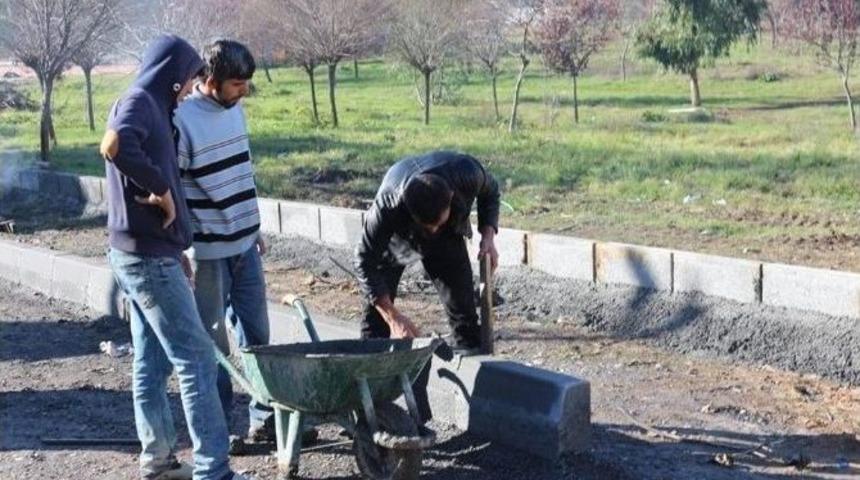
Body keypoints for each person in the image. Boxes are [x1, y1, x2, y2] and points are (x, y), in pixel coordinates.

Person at [100, 34, 250, 480]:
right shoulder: (141, 102)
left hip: (140, 253)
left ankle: (160, 460)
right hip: (146, 259)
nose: (190, 88)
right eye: (187, 80)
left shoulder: (149, 103)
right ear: (170, 75)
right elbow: (115, 144)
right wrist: (163, 192)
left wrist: (175, 241)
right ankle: (213, 470)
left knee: (151, 358)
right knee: (196, 358)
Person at [173, 39, 272, 444]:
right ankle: (220, 431)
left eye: (247, 83)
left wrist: (254, 226)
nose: (244, 91)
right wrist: (179, 247)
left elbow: (242, 173)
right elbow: (174, 190)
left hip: (245, 247)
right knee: (213, 346)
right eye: (237, 84)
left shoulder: (236, 110)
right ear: (211, 80)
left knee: (258, 336)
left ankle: (264, 419)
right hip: (209, 253)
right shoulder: (182, 120)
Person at [353, 150, 501, 421]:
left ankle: (474, 394)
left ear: (451, 199)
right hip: (397, 239)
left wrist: (488, 235)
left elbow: (491, 192)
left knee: (464, 313)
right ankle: (367, 411)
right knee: (376, 324)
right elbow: (363, 261)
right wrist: (393, 317)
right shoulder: (387, 205)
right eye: (427, 225)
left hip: (449, 235)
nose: (431, 230)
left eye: (436, 222)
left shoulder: (467, 172)